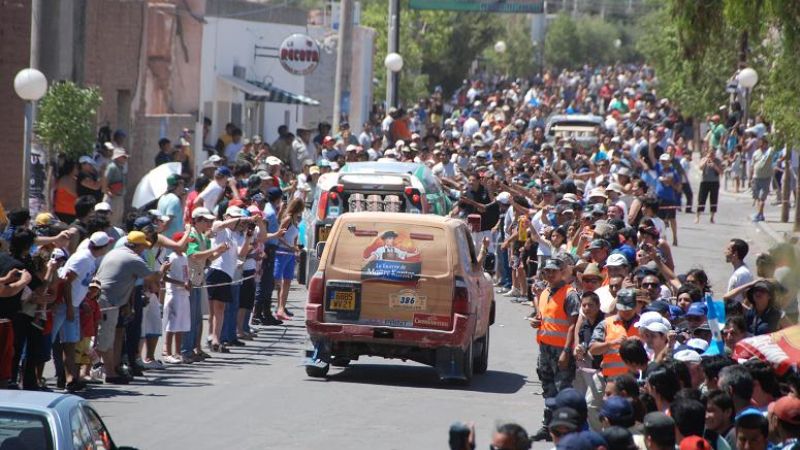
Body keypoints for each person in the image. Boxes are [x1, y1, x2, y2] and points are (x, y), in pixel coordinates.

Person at [93, 230, 165, 383]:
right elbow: (152, 277)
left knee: (109, 336)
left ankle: (109, 369)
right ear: (136, 246)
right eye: (143, 246)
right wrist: (163, 271)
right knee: (105, 338)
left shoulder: (116, 252)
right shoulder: (133, 258)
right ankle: (108, 373)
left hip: (107, 299)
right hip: (109, 301)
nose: (144, 249)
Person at [530, 258, 580, 441]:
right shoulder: (545, 292)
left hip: (561, 351)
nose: (549, 275)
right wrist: (537, 322)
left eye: (553, 271)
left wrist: (567, 351)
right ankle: (548, 427)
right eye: (546, 271)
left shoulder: (570, 294)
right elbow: (545, 318)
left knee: (562, 390)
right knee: (548, 389)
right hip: (545, 350)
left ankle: (563, 431)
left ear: (562, 272)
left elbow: (573, 326)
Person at [54, 231, 111, 391]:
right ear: (103, 247)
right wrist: (71, 306)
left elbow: (81, 284)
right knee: (49, 340)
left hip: (75, 305)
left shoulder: (90, 260)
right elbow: (66, 281)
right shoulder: (82, 258)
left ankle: (72, 379)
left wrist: (82, 301)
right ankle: (33, 380)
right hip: (64, 305)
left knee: (71, 343)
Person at [589, 288, 641, 379]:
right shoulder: (606, 324)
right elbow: (593, 349)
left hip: (637, 379)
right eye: (623, 308)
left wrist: (641, 342)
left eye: (629, 308)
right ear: (617, 306)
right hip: (612, 379)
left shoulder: (644, 323)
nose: (626, 311)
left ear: (636, 305)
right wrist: (611, 343)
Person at [161, 231, 191, 364]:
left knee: (181, 325)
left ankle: (178, 352)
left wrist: (188, 282)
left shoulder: (184, 256)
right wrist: (180, 283)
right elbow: (164, 277)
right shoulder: (171, 257)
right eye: (185, 243)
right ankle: (167, 352)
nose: (187, 246)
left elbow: (185, 274)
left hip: (184, 294)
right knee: (171, 324)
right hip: (174, 294)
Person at [274, 198, 304, 321]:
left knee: (287, 282)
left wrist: (296, 248)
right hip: (282, 253)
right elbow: (279, 235)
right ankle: (277, 307)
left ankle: (281, 308)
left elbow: (294, 237)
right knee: (277, 280)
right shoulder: (288, 219)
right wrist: (290, 246)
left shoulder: (295, 221)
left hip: (290, 254)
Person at [696, 148, 723, 224]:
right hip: (704, 182)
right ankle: (697, 217)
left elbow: (721, 172)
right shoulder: (704, 159)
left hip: (714, 182)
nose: (712, 155)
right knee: (701, 199)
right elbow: (700, 168)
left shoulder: (718, 161)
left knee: (713, 200)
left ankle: (712, 217)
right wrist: (706, 161)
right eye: (710, 154)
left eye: (713, 154)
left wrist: (714, 165)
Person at [102, 147, 129, 226]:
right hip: (112, 198)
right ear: (118, 157)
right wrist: (107, 192)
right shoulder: (112, 167)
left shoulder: (120, 167)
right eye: (124, 157)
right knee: (110, 220)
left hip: (119, 197)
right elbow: (105, 179)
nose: (126, 159)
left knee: (118, 221)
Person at [750, 138, 774, 222]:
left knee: (762, 198)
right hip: (756, 177)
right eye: (764, 144)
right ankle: (760, 214)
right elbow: (752, 165)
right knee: (757, 198)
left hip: (766, 178)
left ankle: (759, 214)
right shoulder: (756, 153)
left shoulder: (769, 153)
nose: (765, 145)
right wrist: (750, 178)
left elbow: (772, 153)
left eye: (766, 144)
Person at [724, 238, 754, 304]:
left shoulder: (742, 274)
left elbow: (746, 299)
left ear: (735, 253)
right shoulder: (739, 272)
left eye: (728, 249)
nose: (725, 252)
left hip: (737, 313)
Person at [157, 174, 186, 238]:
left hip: (165, 239)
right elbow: (168, 221)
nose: (184, 187)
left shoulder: (162, 198)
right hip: (172, 240)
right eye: (183, 184)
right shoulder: (174, 199)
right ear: (179, 184)